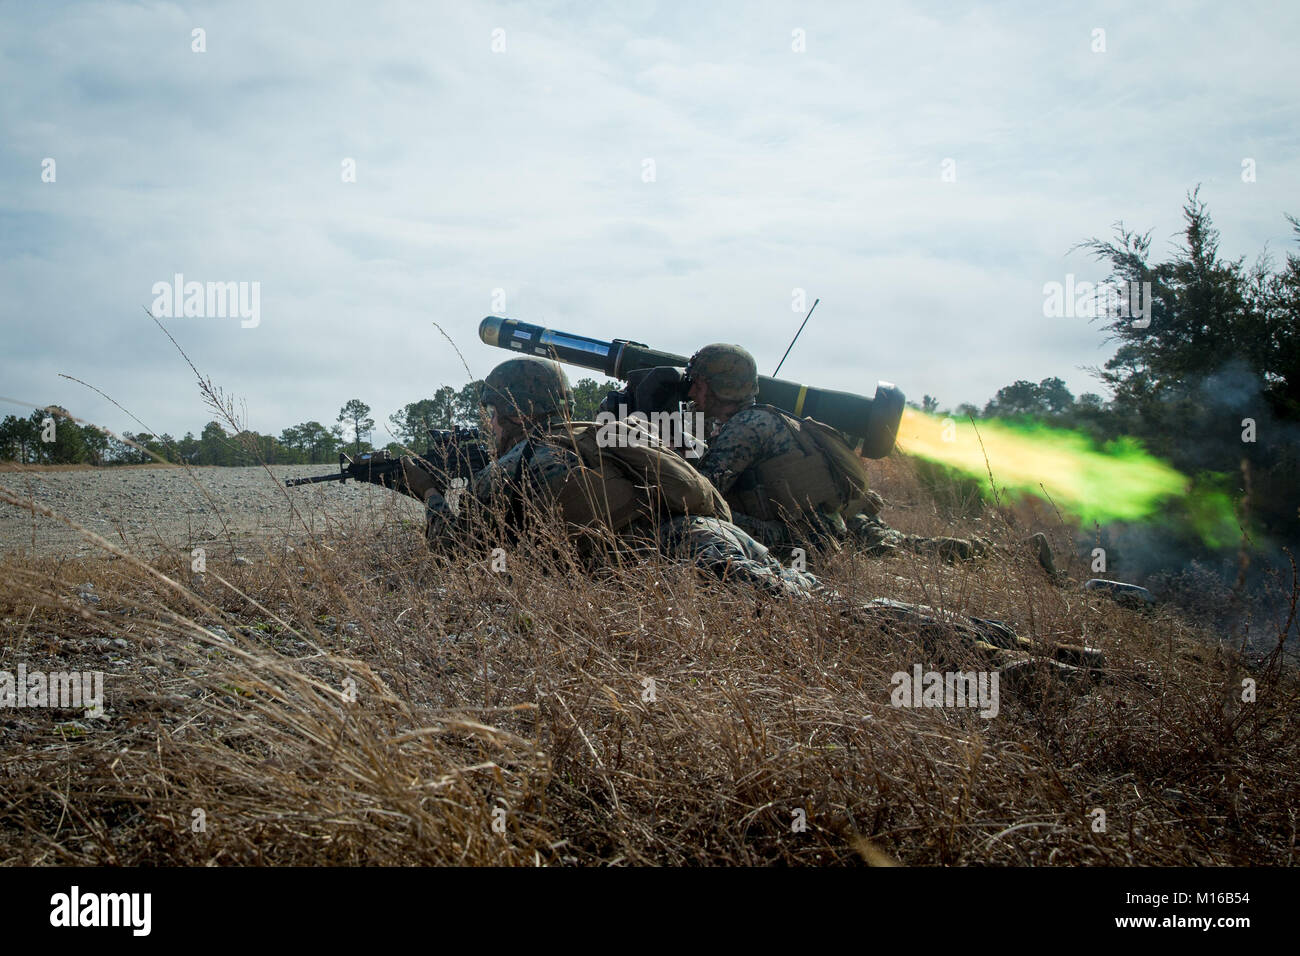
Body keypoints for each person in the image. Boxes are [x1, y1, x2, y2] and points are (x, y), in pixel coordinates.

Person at [366, 355, 1098, 678]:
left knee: (826, 622)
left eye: (489, 413)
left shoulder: (513, 465)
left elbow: (457, 551)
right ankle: (1015, 642)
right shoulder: (607, 433)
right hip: (713, 536)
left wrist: (430, 493)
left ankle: (1022, 668)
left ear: (504, 413)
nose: (486, 425)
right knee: (827, 608)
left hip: (686, 561)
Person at [684, 343, 1060, 577]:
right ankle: (1014, 554)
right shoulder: (770, 415)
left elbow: (705, 494)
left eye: (697, 382)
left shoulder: (745, 426)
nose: (691, 390)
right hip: (835, 518)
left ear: (719, 386)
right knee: (901, 545)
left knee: (693, 525)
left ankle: (1013, 556)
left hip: (804, 536)